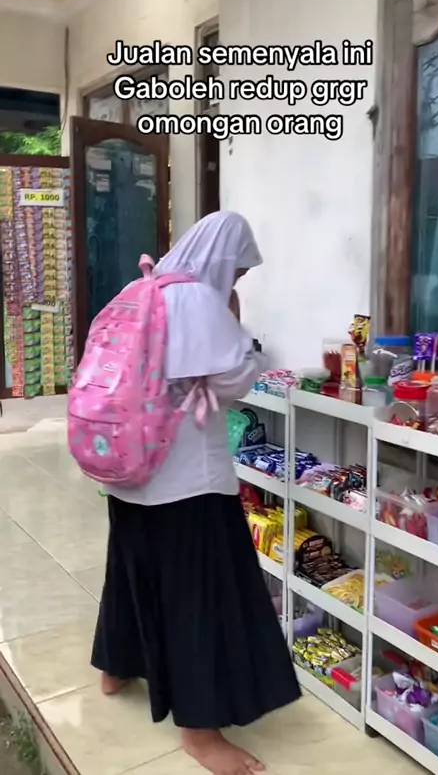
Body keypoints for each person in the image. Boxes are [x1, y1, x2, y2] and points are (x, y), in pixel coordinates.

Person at [91, 211, 301, 775]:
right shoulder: (198, 300)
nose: (236, 281)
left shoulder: (137, 288)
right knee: (198, 597)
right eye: (237, 270)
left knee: (130, 571)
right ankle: (201, 732)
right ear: (221, 260)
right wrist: (237, 324)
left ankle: (116, 666)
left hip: (126, 467)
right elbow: (233, 381)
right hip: (185, 479)